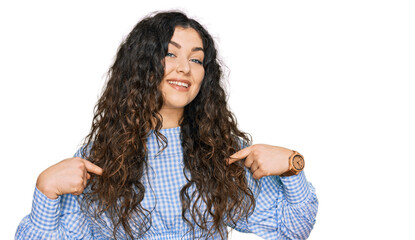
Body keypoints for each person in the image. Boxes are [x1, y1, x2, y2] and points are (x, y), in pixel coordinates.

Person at [15, 11, 318, 240]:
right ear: (141, 64)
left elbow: (291, 231)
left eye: (196, 60)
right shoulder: (100, 156)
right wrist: (45, 191)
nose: (185, 67)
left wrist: (293, 167)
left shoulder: (223, 152)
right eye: (170, 54)